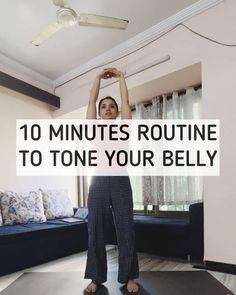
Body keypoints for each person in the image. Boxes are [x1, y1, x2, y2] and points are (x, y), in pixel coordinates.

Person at [84, 68, 139, 293]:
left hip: (119, 181)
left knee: (125, 228)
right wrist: (97, 77)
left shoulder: (123, 128)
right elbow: (91, 99)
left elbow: (126, 100)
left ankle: (128, 277)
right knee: (94, 228)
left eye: (111, 107)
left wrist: (122, 77)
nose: (107, 109)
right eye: (103, 107)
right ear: (99, 113)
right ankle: (96, 278)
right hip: (97, 181)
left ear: (116, 112)